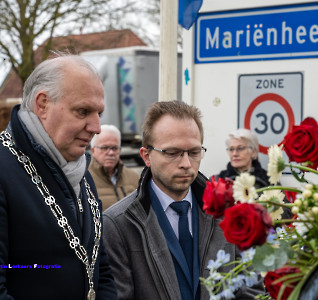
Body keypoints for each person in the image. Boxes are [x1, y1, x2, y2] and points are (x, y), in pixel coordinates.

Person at [103, 101, 264, 299]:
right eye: (172, 153)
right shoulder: (117, 224)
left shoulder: (228, 213)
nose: (186, 164)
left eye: (194, 152)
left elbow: (251, 288)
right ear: (146, 156)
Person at [0, 55, 117, 299]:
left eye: (99, 113)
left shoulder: (81, 172)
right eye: (83, 111)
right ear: (42, 104)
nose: (96, 127)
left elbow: (99, 267)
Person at [89, 124, 140, 211]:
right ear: (93, 151)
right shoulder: (84, 179)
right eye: (104, 148)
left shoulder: (134, 178)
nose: (111, 153)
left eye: (115, 148)